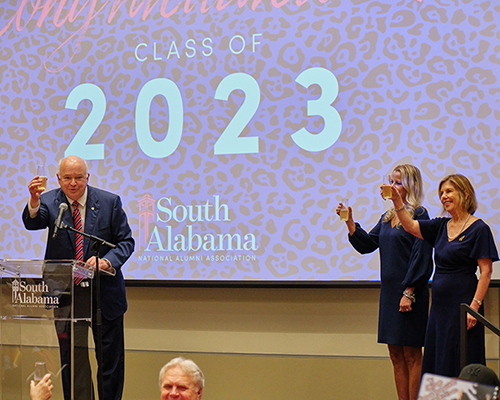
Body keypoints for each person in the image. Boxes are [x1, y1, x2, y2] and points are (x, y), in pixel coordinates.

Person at [22, 155, 135, 400]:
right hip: (66, 297)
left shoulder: (109, 202)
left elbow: (126, 242)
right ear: (58, 179)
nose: (73, 183)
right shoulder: (50, 201)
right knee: (73, 363)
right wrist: (33, 200)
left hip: (104, 296)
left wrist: (106, 261)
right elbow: (34, 221)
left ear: (88, 178)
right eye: (68, 178)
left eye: (79, 178)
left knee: (110, 365)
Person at [336, 164, 433, 400]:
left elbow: (421, 256)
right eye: (391, 181)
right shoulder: (388, 216)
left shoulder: (420, 215)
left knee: (412, 355)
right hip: (390, 294)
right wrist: (350, 223)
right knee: (395, 355)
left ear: (411, 186)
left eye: (398, 182)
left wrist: (409, 292)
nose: (392, 186)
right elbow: (368, 244)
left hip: (411, 293)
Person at [389, 174, 498, 377]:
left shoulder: (479, 228)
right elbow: (411, 226)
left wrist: (474, 307)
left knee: (461, 361)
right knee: (439, 360)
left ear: (465, 193)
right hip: (439, 308)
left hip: (464, 307)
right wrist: (397, 201)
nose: (444, 196)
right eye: (441, 193)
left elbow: (486, 272)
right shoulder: (441, 226)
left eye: (449, 191)